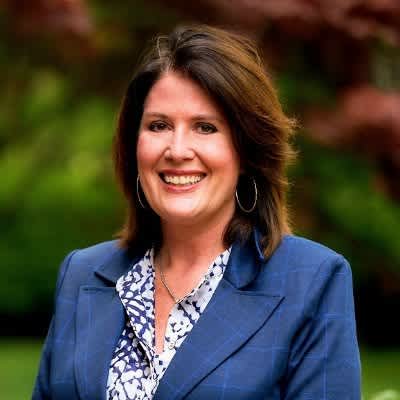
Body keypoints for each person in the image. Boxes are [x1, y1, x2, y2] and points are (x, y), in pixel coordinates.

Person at [32, 25, 361, 400]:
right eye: (159, 126)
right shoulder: (80, 274)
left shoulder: (312, 281)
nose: (177, 150)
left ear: (247, 150)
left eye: (205, 127)